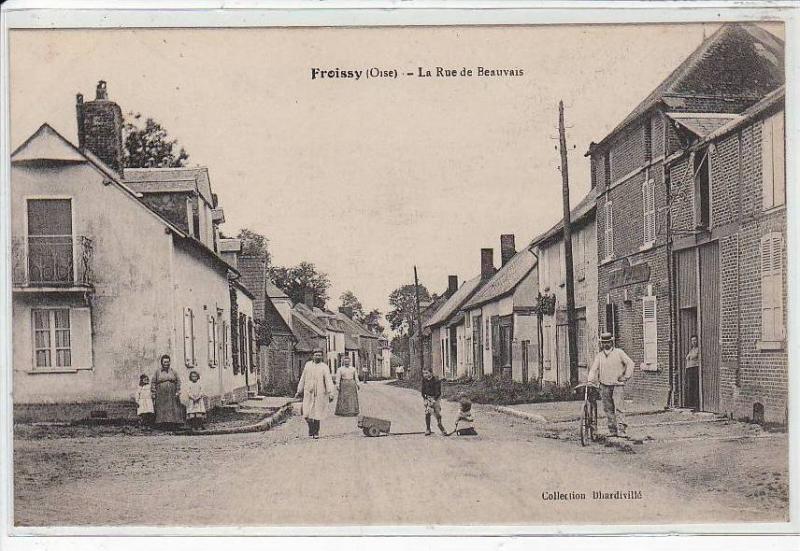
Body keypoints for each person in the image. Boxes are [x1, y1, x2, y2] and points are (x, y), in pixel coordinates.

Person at [587, 332, 635, 438]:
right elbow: (594, 369)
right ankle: (612, 430)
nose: (606, 344)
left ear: (611, 342)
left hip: (617, 385)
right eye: (604, 342)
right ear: (601, 344)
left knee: (619, 407)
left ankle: (622, 430)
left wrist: (626, 376)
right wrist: (590, 380)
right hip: (604, 385)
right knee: (608, 408)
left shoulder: (619, 353)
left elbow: (630, 363)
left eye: (608, 342)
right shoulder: (599, 356)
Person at [295, 349, 335, 438]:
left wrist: (331, 393)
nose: (318, 357)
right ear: (313, 356)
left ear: (322, 357)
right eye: (316, 355)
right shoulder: (308, 365)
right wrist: (299, 390)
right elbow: (303, 378)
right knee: (306, 413)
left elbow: (328, 380)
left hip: (320, 393)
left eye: (320, 355)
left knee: (318, 413)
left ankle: (316, 432)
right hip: (308, 392)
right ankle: (311, 427)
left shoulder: (324, 367)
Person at [151, 354, 184, 429]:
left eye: (168, 362)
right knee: (162, 407)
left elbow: (178, 381)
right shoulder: (157, 372)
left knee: (172, 407)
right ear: (162, 363)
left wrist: (178, 390)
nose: (166, 364)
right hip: (161, 393)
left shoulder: (173, 371)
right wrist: (153, 391)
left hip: (172, 393)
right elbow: (153, 382)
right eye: (165, 362)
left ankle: (173, 424)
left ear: (170, 363)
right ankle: (162, 424)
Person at [421, 367, 447, 436]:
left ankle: (440, 425)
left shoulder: (436, 380)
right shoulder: (424, 380)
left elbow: (438, 392)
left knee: (437, 413)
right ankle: (428, 428)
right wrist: (425, 398)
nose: (425, 375)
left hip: (436, 398)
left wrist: (434, 400)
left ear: (431, 373)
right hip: (428, 398)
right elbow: (423, 391)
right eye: (424, 373)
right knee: (427, 412)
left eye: (426, 373)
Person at [684, 335, 700, 410]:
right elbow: (688, 358)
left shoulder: (698, 349)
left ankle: (696, 403)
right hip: (689, 368)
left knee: (694, 386)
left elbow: (695, 358)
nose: (694, 342)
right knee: (689, 386)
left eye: (695, 340)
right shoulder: (691, 349)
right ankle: (690, 403)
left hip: (694, 368)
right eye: (692, 340)